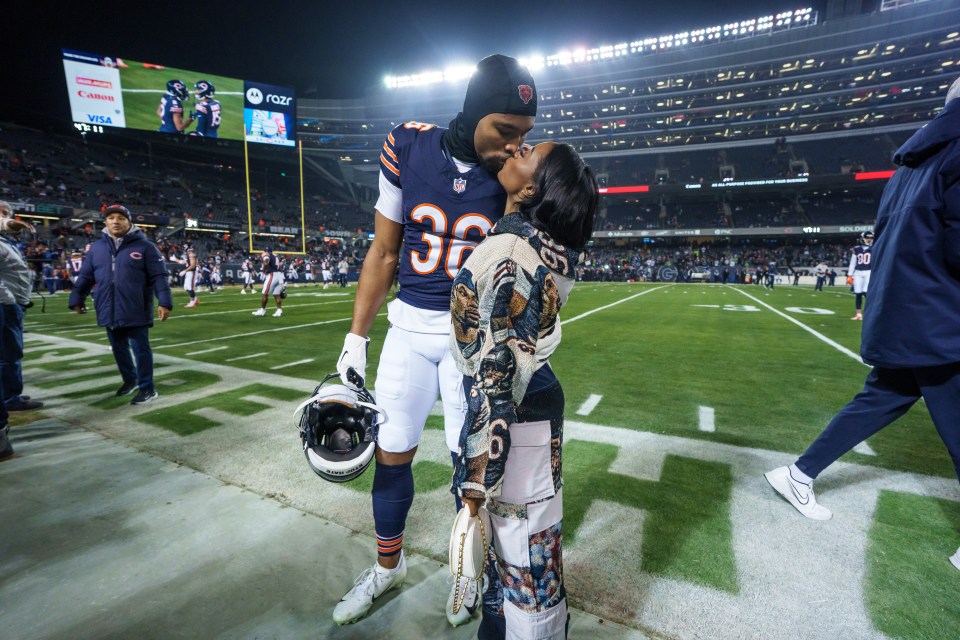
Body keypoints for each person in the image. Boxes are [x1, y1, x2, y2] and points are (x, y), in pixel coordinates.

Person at [331, 53, 537, 627]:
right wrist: (355, 340)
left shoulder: (516, 174)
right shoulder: (407, 144)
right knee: (391, 455)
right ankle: (388, 565)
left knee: (466, 474)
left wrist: (521, 199)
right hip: (408, 330)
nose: (513, 147)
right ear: (474, 111)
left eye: (523, 135)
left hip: (468, 345)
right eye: (504, 130)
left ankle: (464, 569)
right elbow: (384, 251)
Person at [764, 77, 960, 572]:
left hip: (903, 312)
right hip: (940, 317)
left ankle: (798, 473)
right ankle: (798, 474)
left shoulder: (906, 169)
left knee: (882, 398)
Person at [451, 142, 599, 639]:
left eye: (528, 150)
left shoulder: (512, 254)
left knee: (524, 562)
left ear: (531, 188)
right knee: (528, 551)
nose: (516, 147)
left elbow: (496, 378)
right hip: (534, 393)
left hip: (516, 407)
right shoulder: (540, 243)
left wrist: (474, 487)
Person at [68, 204, 172, 405]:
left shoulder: (146, 247)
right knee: (118, 348)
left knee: (140, 349)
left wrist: (165, 302)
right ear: (105, 222)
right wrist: (76, 298)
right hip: (107, 305)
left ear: (129, 221)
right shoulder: (96, 248)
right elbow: (86, 276)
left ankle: (147, 388)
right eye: (111, 217)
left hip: (135, 306)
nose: (116, 221)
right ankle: (130, 380)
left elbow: (159, 276)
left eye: (121, 218)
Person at [0, 201, 44, 451]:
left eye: (7, 213)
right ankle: (10, 398)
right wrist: (10, 301)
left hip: (13, 303)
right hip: (6, 304)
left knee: (11, 353)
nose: (5, 217)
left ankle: (11, 394)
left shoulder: (6, 242)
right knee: (9, 353)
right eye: (2, 214)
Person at [848, 230, 873, 320]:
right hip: (858, 272)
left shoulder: (874, 248)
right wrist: (850, 275)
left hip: (868, 272)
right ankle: (858, 314)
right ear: (862, 238)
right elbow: (853, 263)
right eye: (867, 238)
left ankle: (870, 313)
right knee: (858, 293)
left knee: (866, 292)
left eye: (871, 238)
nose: (869, 240)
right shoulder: (857, 249)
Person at [252, 247, 284, 317]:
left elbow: (266, 262)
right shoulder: (275, 256)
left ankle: (262, 311)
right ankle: (279, 310)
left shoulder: (266, 255)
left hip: (272, 275)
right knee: (277, 294)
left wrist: (264, 270)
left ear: (266, 251)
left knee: (265, 294)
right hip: (279, 276)